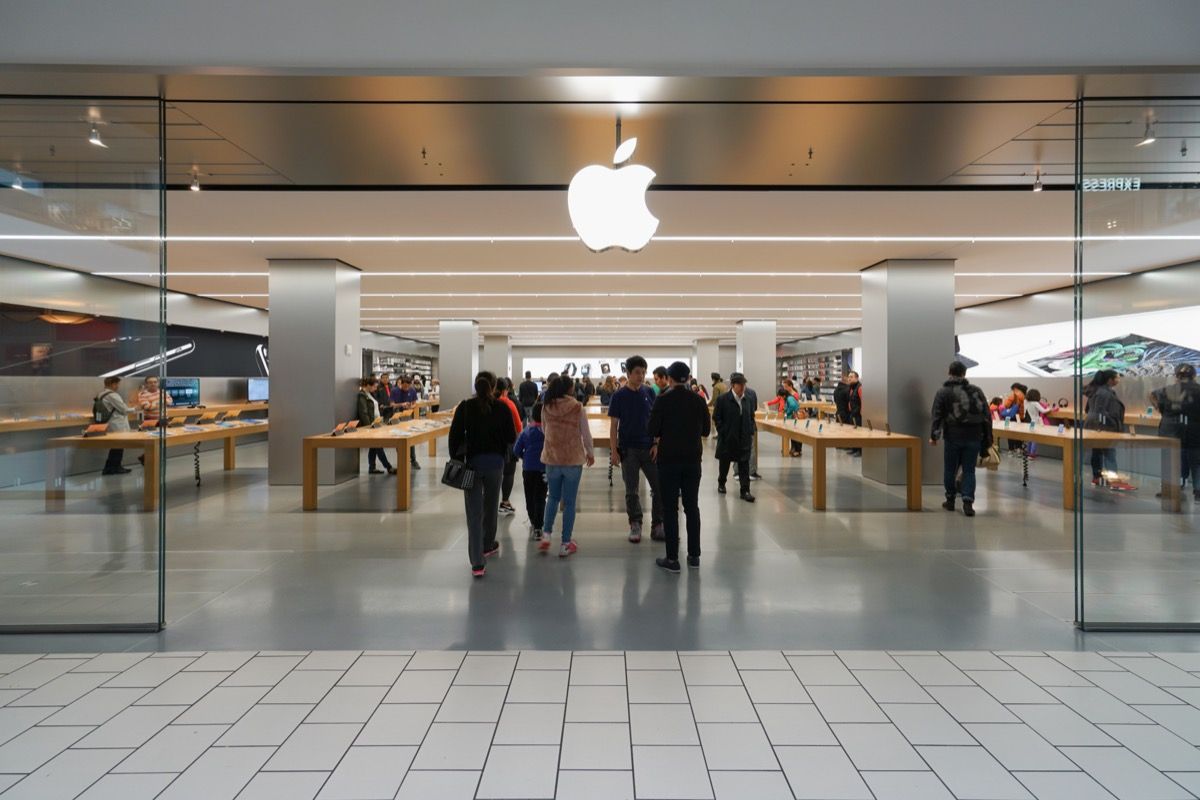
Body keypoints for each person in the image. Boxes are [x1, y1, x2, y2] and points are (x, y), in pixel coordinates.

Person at [449, 371, 517, 577]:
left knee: (474, 512)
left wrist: (457, 459)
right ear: (495, 386)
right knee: (491, 505)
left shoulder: (465, 408)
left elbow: (454, 437)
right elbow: (510, 437)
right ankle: (488, 544)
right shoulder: (502, 408)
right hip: (495, 465)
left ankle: (477, 563)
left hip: (472, 465)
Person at [649, 361, 711, 573]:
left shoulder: (662, 400)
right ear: (688, 377)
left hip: (668, 461)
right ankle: (694, 555)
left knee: (670, 509)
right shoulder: (698, 400)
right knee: (692, 507)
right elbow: (706, 431)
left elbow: (652, 429)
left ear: (670, 378)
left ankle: (672, 558)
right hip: (693, 460)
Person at [608, 355, 665, 543]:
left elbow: (657, 421)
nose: (641, 376)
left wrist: (656, 443)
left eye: (643, 372)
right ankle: (635, 523)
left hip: (649, 448)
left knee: (658, 487)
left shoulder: (649, 392)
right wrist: (614, 451)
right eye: (637, 373)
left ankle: (658, 524)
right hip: (628, 449)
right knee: (631, 489)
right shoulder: (619, 396)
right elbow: (614, 425)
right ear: (628, 373)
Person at [929, 360, 993, 518]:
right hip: (974, 436)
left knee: (950, 469)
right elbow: (986, 415)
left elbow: (937, 415)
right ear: (964, 374)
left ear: (949, 372)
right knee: (969, 470)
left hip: (953, 435)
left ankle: (950, 499)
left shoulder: (943, 392)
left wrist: (934, 436)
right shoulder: (976, 390)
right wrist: (987, 438)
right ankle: (968, 502)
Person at [540, 375, 594, 557]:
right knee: (569, 502)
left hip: (552, 459)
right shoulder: (577, 407)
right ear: (569, 389)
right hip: (572, 460)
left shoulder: (546, 406)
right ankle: (565, 543)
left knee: (553, 498)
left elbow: (544, 430)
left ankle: (546, 534)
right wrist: (590, 452)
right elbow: (585, 433)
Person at [1152, 364, 1200, 500]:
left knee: (1170, 461)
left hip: (1171, 430)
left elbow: (1152, 395)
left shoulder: (1168, 390)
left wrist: (1160, 409)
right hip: (1195, 431)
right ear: (1194, 376)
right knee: (1197, 463)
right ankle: (1198, 492)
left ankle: (1169, 490)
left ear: (1177, 376)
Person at [1084, 369, 1133, 491]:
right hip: (1103, 426)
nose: (1118, 380)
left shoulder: (1095, 391)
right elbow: (1101, 410)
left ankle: (1097, 476)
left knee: (1097, 452)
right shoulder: (1103, 393)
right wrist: (1110, 422)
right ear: (1110, 380)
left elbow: (1088, 409)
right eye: (1117, 377)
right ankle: (1114, 480)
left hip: (1095, 424)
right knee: (1109, 452)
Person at [712, 372, 756, 502]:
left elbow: (751, 416)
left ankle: (745, 490)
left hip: (743, 438)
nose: (742, 387)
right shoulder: (723, 399)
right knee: (724, 464)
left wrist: (750, 430)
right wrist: (723, 431)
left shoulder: (748, 399)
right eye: (739, 384)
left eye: (744, 384)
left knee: (744, 465)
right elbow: (716, 417)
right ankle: (721, 483)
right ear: (733, 385)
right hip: (728, 438)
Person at [513, 402, 548, 540]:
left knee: (529, 495)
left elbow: (516, 450)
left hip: (527, 469)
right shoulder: (547, 432)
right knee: (541, 496)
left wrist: (525, 457)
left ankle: (532, 520)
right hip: (543, 469)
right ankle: (539, 527)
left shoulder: (526, 431)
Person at [495, 377, 524, 516]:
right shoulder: (508, 403)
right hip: (508, 443)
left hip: (490, 445)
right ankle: (505, 502)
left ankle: (490, 502)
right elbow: (518, 426)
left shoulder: (485, 402)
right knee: (508, 473)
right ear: (505, 390)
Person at [357, 377, 395, 475]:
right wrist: (369, 426)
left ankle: (372, 467)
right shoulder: (362, 395)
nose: (375, 389)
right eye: (374, 386)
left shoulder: (370, 394)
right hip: (371, 425)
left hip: (376, 423)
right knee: (378, 446)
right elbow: (363, 412)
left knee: (374, 447)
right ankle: (388, 467)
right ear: (368, 385)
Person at [94, 376, 132, 475]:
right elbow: (124, 409)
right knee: (118, 446)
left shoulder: (101, 394)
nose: (118, 386)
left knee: (116, 446)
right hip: (117, 424)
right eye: (117, 384)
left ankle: (112, 467)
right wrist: (136, 408)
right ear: (113, 384)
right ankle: (114, 467)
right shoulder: (113, 395)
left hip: (110, 423)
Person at [391, 375, 422, 469]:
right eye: (404, 387)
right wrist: (401, 404)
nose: (406, 388)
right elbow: (392, 404)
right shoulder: (394, 391)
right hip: (397, 418)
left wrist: (410, 406)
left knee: (410, 438)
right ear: (401, 384)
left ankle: (413, 460)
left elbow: (414, 403)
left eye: (408, 387)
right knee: (399, 439)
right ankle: (402, 460)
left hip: (408, 417)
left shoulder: (412, 390)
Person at [768, 387, 803, 456]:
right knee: (792, 434)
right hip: (793, 417)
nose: (780, 398)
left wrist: (787, 412)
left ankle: (798, 450)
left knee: (796, 435)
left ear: (784, 396)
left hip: (795, 417)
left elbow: (793, 406)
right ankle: (794, 449)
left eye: (780, 397)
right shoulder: (788, 398)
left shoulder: (789, 398)